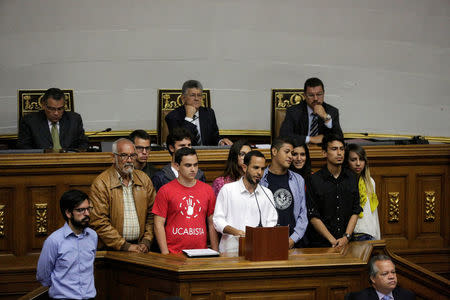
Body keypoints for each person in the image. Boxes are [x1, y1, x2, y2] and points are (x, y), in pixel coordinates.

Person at [90, 138, 155, 252]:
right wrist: (124, 245)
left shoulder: (144, 179)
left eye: (132, 155)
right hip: (112, 251)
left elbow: (152, 214)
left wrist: (147, 240)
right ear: (113, 158)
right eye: (124, 155)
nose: (129, 160)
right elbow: (99, 222)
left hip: (141, 248)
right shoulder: (101, 183)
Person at [152, 147, 219, 254]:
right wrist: (165, 254)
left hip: (201, 253)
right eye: (188, 165)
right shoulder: (165, 190)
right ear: (177, 166)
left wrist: (215, 252)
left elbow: (212, 223)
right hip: (173, 253)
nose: (193, 169)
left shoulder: (207, 190)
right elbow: (158, 224)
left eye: (195, 165)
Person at [36, 190, 97, 299]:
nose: (87, 213)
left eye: (88, 209)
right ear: (68, 213)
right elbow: (43, 276)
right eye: (81, 210)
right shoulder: (54, 241)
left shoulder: (93, 236)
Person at [213, 150, 278, 253]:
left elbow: (272, 222)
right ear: (244, 167)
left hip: (258, 251)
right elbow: (217, 220)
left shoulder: (267, 193)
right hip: (230, 251)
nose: (259, 173)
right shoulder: (228, 190)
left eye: (262, 169)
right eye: (256, 168)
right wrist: (235, 232)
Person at [307, 134, 362, 248]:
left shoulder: (352, 178)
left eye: (342, 149)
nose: (339, 153)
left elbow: (355, 211)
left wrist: (346, 237)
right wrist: (332, 240)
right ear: (324, 153)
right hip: (320, 244)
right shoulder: (314, 180)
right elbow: (313, 215)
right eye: (334, 149)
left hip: (346, 242)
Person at [260, 137, 308, 248]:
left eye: (292, 153)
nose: (291, 156)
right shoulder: (261, 178)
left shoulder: (298, 179)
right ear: (274, 151)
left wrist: (293, 239)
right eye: (287, 152)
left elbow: (303, 213)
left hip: (293, 241)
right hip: (266, 240)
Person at [165, 80, 232, 146]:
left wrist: (220, 142)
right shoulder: (172, 117)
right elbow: (181, 141)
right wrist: (189, 117)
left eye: (199, 95)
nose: (196, 98)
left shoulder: (209, 113)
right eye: (192, 95)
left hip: (207, 154)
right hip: (185, 155)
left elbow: (214, 137)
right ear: (183, 98)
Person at [17, 87, 89, 150]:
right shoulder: (30, 121)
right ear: (43, 105)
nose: (56, 113)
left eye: (60, 109)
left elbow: (83, 143)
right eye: (52, 109)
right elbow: (24, 147)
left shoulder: (74, 119)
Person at [279, 77, 343, 145]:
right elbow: (284, 135)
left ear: (324, 93)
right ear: (305, 96)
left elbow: (339, 137)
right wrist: (310, 139)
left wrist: (326, 118)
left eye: (319, 94)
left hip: (323, 152)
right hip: (300, 152)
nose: (315, 98)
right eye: (311, 95)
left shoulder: (332, 111)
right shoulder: (294, 111)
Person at [151, 127, 206, 191]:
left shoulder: (199, 175)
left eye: (189, 145)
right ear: (171, 148)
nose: (187, 149)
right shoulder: (161, 177)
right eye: (182, 146)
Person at [345, 144, 381, 241]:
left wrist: (377, 237)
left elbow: (373, 213)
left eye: (361, 159)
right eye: (353, 160)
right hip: (351, 234)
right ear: (347, 162)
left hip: (368, 232)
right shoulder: (344, 182)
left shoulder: (369, 181)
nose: (358, 163)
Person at [347, 254, 415, 299]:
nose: (391, 276)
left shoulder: (407, 296)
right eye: (385, 274)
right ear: (373, 278)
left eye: (393, 272)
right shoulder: (360, 298)